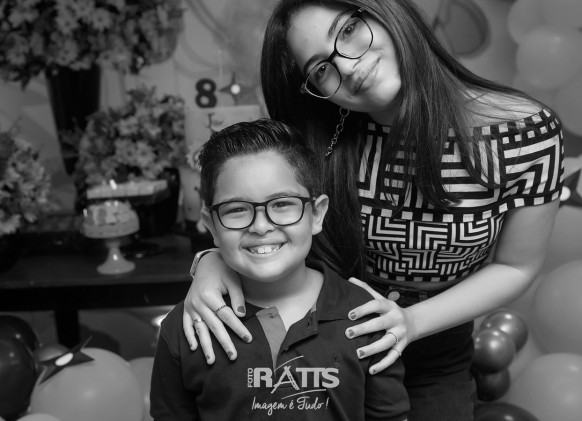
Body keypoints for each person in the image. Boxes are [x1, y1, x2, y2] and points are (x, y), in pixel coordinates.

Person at [181, 1, 565, 419]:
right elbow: (258, 216)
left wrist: (411, 323)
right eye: (321, 69)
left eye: (347, 31)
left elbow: (516, 266)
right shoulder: (318, 136)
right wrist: (212, 262)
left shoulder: (526, 133)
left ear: (386, 12)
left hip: (435, 355)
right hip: (320, 346)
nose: (347, 67)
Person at [150, 119, 410, 421]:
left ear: (316, 214)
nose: (261, 226)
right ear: (211, 225)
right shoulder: (185, 326)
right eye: (236, 209)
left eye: (283, 204)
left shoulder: (368, 317)